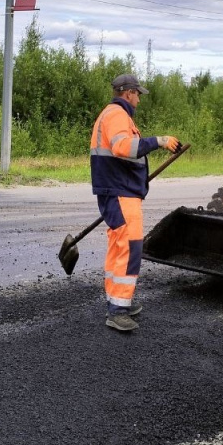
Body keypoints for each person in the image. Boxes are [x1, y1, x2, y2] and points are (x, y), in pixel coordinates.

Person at [90, 73, 180, 333]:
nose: (139, 98)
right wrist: (158, 141)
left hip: (118, 189)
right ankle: (117, 311)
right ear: (128, 92)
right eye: (138, 93)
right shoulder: (117, 115)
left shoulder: (113, 114)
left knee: (120, 247)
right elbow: (123, 148)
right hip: (120, 191)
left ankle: (118, 301)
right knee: (129, 248)